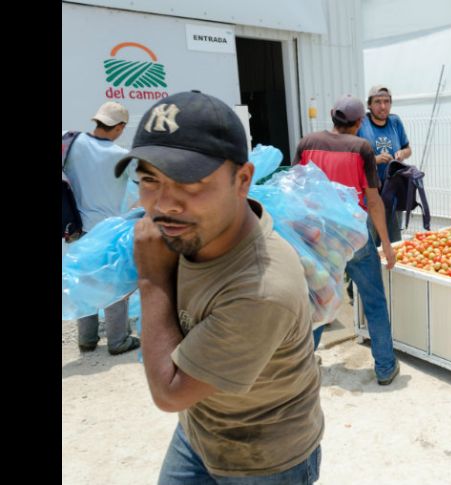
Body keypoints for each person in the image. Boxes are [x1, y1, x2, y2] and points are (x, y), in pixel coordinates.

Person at [114, 90, 323, 483]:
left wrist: (151, 277)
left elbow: (170, 393)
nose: (164, 205)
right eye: (148, 180)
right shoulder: (191, 231)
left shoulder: (263, 287)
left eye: (190, 183)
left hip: (265, 459)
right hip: (199, 433)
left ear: (242, 179)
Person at [293, 94, 400, 386]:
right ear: (359, 122)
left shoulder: (307, 143)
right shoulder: (360, 148)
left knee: (318, 300)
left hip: (319, 235)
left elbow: (297, 189)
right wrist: (386, 246)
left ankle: (300, 369)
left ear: (332, 115)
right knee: (374, 300)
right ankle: (385, 368)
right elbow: (373, 200)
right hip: (354, 234)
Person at [63, 101, 139, 356]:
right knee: (114, 283)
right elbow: (143, 181)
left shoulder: (72, 143)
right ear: (119, 127)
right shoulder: (122, 155)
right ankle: (118, 341)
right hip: (108, 230)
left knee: (84, 282)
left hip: (77, 227)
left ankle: (87, 339)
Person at [357, 85, 411, 245]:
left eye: (387, 102)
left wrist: (402, 154)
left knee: (394, 239)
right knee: (371, 240)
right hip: (370, 193)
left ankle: (392, 269)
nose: (383, 106)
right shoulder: (361, 124)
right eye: (378, 102)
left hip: (393, 190)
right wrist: (375, 159)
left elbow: (407, 148)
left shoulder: (395, 122)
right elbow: (352, 158)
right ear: (369, 105)